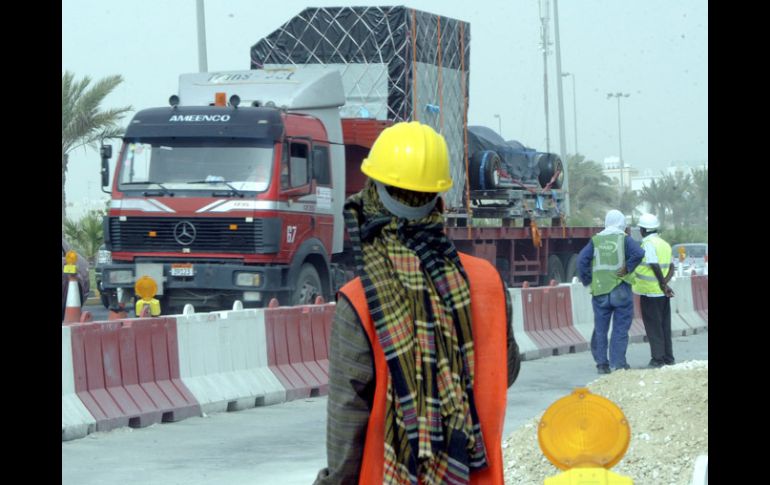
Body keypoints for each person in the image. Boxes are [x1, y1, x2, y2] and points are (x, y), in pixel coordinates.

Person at [314, 121, 520, 485]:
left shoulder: (362, 299)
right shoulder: (488, 282)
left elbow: (348, 415)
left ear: (373, 196)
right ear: (438, 201)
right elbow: (507, 370)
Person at [577, 210, 644, 374]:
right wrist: (627, 268)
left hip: (600, 290)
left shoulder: (596, 240)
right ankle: (618, 363)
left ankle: (602, 364)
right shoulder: (624, 239)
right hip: (620, 289)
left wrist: (588, 280)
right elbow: (639, 253)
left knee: (601, 330)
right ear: (622, 223)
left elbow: (581, 260)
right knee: (620, 329)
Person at [632, 213, 676, 368]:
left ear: (643, 230)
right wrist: (665, 284)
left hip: (650, 292)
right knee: (664, 325)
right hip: (662, 293)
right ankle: (668, 358)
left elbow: (653, 264)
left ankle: (657, 359)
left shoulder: (647, 244)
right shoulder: (665, 244)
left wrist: (663, 285)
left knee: (653, 326)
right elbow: (671, 267)